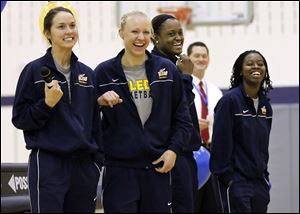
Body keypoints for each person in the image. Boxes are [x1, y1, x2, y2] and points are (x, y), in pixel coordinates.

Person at [94, 11, 193, 213]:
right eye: (134, 31)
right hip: (119, 171)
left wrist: (173, 151)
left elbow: (183, 119)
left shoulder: (166, 70)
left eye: (146, 32)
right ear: (121, 33)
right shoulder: (103, 72)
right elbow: (87, 119)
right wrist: (98, 102)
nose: (141, 38)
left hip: (158, 168)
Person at [11, 4, 103, 213]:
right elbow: (20, 119)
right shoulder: (33, 71)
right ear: (47, 33)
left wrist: (96, 163)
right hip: (48, 164)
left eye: (72, 25)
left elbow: (95, 124)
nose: (69, 31)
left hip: (84, 168)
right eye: (61, 26)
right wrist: (46, 104)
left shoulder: (88, 74)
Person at [210, 50, 273, 213]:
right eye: (250, 63)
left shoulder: (265, 105)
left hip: (259, 184)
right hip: (236, 183)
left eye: (260, 63)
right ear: (240, 70)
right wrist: (229, 179)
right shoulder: (229, 101)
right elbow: (219, 145)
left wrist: (264, 177)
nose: (256, 67)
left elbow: (262, 147)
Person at [151, 14, 201, 213]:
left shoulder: (178, 63)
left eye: (180, 33)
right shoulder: (158, 66)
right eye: (170, 34)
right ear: (156, 37)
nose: (178, 38)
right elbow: (176, 107)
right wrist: (187, 78)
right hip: (170, 153)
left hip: (187, 155)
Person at [187, 41, 222, 213]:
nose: (201, 59)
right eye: (196, 55)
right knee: (192, 204)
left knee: (212, 206)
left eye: (204, 56)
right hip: (192, 152)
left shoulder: (215, 91)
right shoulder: (184, 87)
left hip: (212, 153)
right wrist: (193, 126)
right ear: (188, 59)